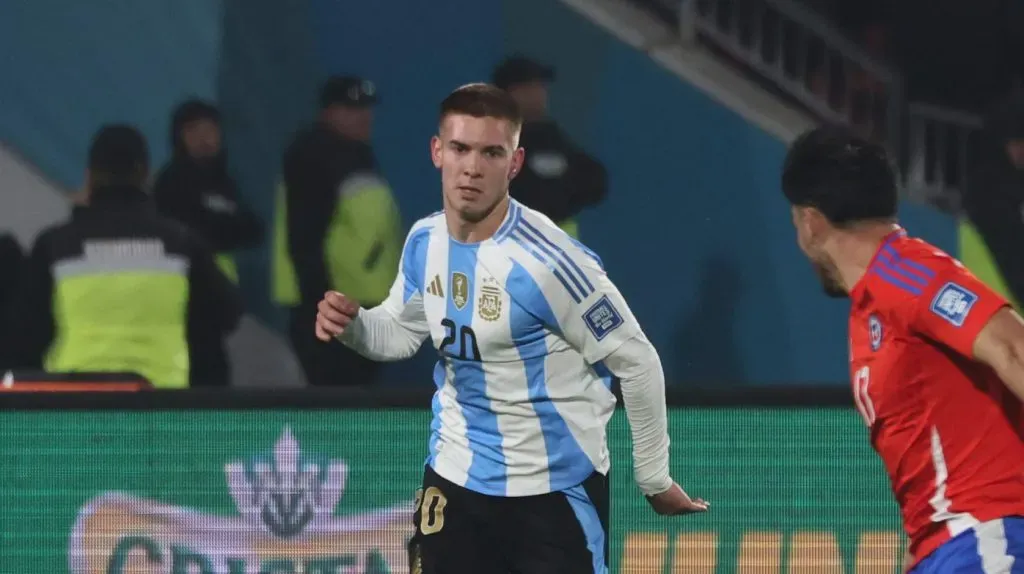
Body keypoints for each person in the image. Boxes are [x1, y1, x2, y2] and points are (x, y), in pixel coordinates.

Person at [315, 83, 707, 574]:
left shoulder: (550, 263)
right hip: (455, 481)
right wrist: (354, 326)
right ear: (437, 151)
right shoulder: (424, 241)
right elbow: (400, 332)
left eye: (491, 153)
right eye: (460, 148)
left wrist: (653, 478)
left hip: (551, 497)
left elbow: (638, 361)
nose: (472, 168)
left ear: (515, 163)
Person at [781, 125, 1024, 572]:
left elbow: (1015, 349)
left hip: (986, 536)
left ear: (811, 223)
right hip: (944, 549)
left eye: (795, 222)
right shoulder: (870, 308)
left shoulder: (907, 271)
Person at [3, 125, 243, 388]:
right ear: (145, 175)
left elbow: (22, 334)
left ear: (89, 177)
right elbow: (228, 314)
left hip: (76, 401)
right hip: (161, 399)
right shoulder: (181, 242)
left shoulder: (56, 245)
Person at [274, 75, 403, 387]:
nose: (364, 116)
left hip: (360, 305)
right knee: (335, 400)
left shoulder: (356, 155)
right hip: (333, 308)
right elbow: (304, 239)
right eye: (352, 109)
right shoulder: (314, 156)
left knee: (356, 400)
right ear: (328, 112)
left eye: (367, 108)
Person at [152, 99, 263, 387]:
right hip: (184, 298)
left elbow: (253, 229)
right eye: (194, 131)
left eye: (210, 130)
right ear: (180, 137)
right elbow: (187, 232)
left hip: (219, 297)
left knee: (216, 376)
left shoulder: (226, 183)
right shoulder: (171, 182)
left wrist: (216, 227)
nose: (204, 138)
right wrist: (220, 228)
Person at [492, 56, 608, 239]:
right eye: (531, 87)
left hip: (556, 250)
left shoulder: (550, 137)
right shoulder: (493, 139)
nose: (540, 94)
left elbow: (594, 183)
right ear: (512, 93)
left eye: (541, 87)